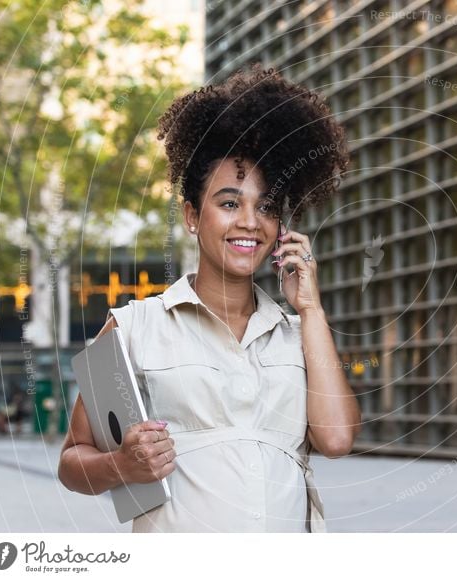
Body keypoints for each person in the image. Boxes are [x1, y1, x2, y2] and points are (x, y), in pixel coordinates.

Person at [57, 63, 361, 532]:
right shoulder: (133, 326)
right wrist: (123, 464)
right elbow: (72, 461)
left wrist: (311, 309)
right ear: (192, 216)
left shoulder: (300, 335)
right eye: (228, 203)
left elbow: (338, 439)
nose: (249, 222)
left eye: (266, 207)